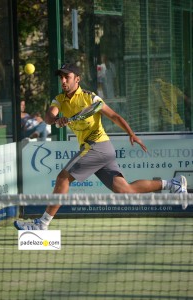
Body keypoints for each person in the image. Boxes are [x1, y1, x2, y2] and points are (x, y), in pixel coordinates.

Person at [14, 63, 188, 230]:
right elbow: (48, 117)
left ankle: (42, 224)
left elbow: (114, 116)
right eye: (61, 78)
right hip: (102, 150)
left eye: (67, 77)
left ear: (78, 79)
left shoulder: (90, 98)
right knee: (125, 190)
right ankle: (172, 184)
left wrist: (131, 133)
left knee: (63, 179)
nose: (64, 81)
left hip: (96, 146)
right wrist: (55, 119)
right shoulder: (59, 100)